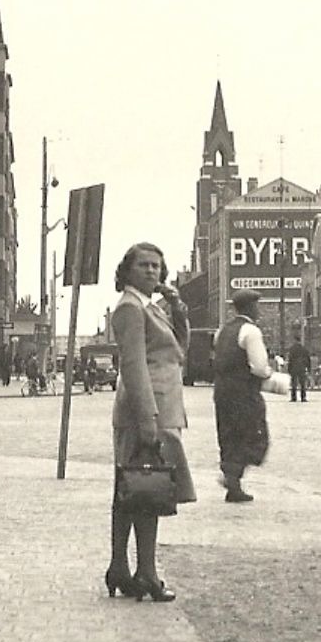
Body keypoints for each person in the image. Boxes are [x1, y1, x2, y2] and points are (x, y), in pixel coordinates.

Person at [106, 242, 195, 602]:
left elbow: (179, 349)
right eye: (143, 265)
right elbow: (134, 365)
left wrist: (176, 304)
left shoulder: (150, 307)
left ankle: (123, 569)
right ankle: (145, 573)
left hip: (158, 409)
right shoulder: (129, 308)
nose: (151, 271)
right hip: (146, 411)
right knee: (145, 489)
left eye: (156, 266)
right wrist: (147, 419)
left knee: (136, 490)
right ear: (127, 271)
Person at [213, 289, 272, 502]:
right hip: (244, 392)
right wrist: (269, 374)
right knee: (254, 435)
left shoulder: (223, 330)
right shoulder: (251, 331)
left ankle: (233, 482)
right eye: (257, 306)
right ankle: (232, 476)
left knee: (228, 434)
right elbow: (259, 367)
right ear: (249, 307)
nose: (259, 311)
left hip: (222, 391)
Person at [287, 333, 311, 403]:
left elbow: (290, 359)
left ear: (294, 340)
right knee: (302, 383)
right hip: (302, 367)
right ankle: (303, 397)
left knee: (294, 383)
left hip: (294, 367)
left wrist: (289, 368)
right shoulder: (304, 349)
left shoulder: (292, 349)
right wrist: (308, 368)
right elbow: (307, 359)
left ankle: (293, 397)